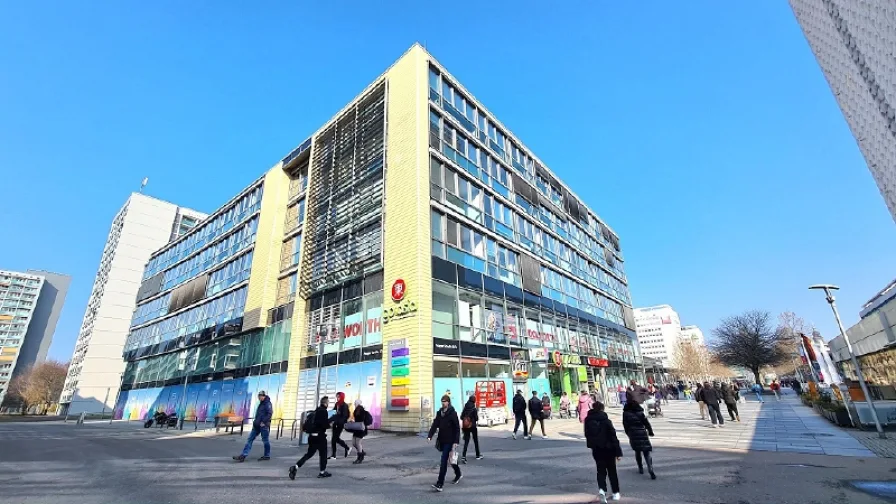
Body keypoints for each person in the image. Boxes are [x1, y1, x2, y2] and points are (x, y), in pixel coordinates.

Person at [584, 401, 623, 502]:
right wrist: (618, 452)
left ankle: (602, 490)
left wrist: (592, 445)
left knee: (600, 471)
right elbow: (613, 437)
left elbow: (587, 435)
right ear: (602, 409)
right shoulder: (606, 420)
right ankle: (616, 493)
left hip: (596, 449)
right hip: (609, 449)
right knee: (612, 472)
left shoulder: (588, 420)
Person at [289, 396, 332, 480]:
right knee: (323, 454)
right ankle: (322, 472)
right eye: (328, 403)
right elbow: (323, 424)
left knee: (309, 454)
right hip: (320, 437)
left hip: (311, 437)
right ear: (326, 403)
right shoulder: (323, 411)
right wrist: (329, 425)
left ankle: (295, 467)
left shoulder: (314, 412)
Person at [427, 394, 462, 492]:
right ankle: (458, 474)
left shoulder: (452, 413)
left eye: (445, 401)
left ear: (448, 402)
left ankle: (440, 484)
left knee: (443, 462)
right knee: (451, 460)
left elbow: (457, 428)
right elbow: (435, 424)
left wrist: (456, 441)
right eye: (442, 401)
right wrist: (430, 435)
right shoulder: (439, 413)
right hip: (442, 440)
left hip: (450, 441)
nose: (443, 403)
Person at [622, 391, 656, 480]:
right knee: (646, 451)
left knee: (637, 451)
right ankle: (650, 468)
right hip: (642, 432)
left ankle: (640, 468)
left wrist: (628, 433)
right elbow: (646, 422)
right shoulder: (640, 412)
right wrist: (650, 431)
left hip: (633, 433)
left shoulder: (625, 413)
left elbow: (625, 425)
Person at [233, 390, 273, 462]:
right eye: (259, 396)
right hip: (256, 425)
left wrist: (264, 422)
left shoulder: (267, 403)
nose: (259, 397)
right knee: (250, 439)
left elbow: (270, 414)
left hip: (263, 426)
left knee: (265, 440)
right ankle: (243, 455)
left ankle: (267, 455)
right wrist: (255, 422)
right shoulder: (261, 404)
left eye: (261, 396)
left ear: (264, 396)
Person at [460, 393, 482, 463]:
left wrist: (466, 419)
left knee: (466, 441)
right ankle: (478, 455)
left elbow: (461, 417)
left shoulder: (465, 407)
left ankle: (463, 456)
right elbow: (476, 418)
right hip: (473, 426)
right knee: (475, 441)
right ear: (474, 401)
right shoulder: (474, 408)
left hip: (466, 427)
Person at [348, 399, 372, 464]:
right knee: (354, 443)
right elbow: (358, 419)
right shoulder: (357, 410)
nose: (354, 404)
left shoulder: (361, 410)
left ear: (358, 403)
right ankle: (362, 452)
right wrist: (354, 421)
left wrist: (355, 422)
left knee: (358, 443)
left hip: (361, 429)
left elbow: (361, 420)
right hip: (357, 428)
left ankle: (360, 458)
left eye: (355, 403)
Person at [329, 391, 352, 459]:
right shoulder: (337, 404)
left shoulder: (344, 405)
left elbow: (344, 416)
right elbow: (334, 412)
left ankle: (346, 448)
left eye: (338, 397)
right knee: (334, 439)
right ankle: (334, 455)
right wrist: (330, 420)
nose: (337, 398)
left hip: (340, 424)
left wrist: (338, 422)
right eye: (337, 396)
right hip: (335, 423)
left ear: (341, 397)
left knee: (335, 439)